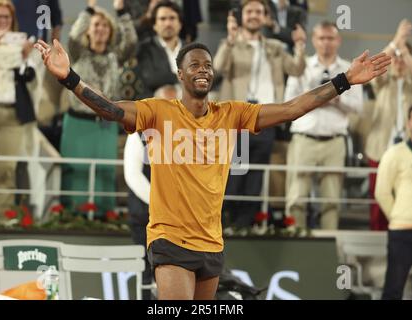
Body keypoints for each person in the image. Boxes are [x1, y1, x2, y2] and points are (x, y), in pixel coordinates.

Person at [35, 36, 390, 299]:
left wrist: (343, 80)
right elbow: (110, 108)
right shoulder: (158, 111)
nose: (203, 70)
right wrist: (69, 78)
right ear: (180, 74)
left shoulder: (232, 113)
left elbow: (291, 109)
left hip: (211, 242)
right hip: (169, 237)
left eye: (207, 65)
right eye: (194, 65)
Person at [214, 0, 306, 234]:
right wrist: (230, 39)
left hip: (266, 116)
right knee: (235, 170)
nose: (254, 16)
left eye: (258, 12)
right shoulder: (232, 44)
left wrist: (300, 46)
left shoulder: (275, 47)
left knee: (255, 172)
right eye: (249, 12)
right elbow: (218, 68)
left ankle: (245, 224)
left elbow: (297, 69)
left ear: (266, 17)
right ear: (241, 16)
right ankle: (226, 222)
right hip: (238, 116)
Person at [60, 0, 137, 217]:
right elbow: (73, 36)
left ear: (111, 31)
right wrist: (89, 10)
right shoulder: (77, 53)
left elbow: (130, 42)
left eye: (105, 25)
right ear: (88, 29)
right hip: (77, 123)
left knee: (104, 172)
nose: (100, 29)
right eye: (95, 25)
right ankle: (73, 217)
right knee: (76, 171)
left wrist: (122, 12)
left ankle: (104, 216)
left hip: (105, 126)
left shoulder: (115, 57)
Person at [284, 21, 363, 230]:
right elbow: (288, 100)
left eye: (330, 38)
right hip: (304, 138)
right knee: (296, 198)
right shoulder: (302, 67)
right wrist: (316, 98)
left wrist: (337, 99)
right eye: (321, 38)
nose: (326, 43)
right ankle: (295, 245)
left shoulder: (350, 69)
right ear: (314, 40)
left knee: (331, 200)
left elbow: (358, 107)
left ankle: (329, 246)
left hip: (334, 141)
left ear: (338, 40)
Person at [0, 0, 36, 220]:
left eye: (7, 17)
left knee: (5, 169)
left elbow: (29, 77)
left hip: (12, 115)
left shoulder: (20, 45)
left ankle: (4, 219)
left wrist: (23, 57)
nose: (3, 21)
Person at [123, 84, 179, 300]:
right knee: (146, 275)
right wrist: (161, 202)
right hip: (145, 216)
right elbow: (133, 175)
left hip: (177, 220)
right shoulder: (139, 133)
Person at [366, 19, 412, 231]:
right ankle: (378, 234)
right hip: (381, 148)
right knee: (379, 199)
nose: (400, 61)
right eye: (396, 58)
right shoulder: (382, 82)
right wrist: (395, 42)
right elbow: (375, 67)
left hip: (407, 151)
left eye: (404, 57)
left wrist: (403, 47)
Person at [375, 105, 412, 300]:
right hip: (402, 232)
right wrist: (398, 216)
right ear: (408, 123)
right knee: (393, 290)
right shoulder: (394, 154)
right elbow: (382, 192)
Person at [136, 0, 183, 98]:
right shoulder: (145, 48)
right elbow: (151, 78)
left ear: (180, 23)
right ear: (154, 25)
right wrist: (184, 76)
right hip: (156, 105)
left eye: (172, 18)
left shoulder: (192, 49)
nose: (168, 23)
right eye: (162, 19)